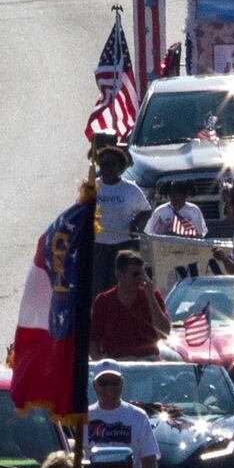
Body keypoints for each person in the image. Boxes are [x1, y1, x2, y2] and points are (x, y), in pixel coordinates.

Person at [90, 250, 173, 358]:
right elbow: (93, 342)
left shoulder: (153, 296)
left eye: (143, 274)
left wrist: (151, 298)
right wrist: (102, 362)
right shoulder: (103, 301)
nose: (140, 279)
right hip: (117, 363)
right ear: (120, 275)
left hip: (147, 363)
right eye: (135, 274)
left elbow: (164, 333)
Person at [92, 149, 150, 295]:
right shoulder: (92, 187)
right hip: (98, 245)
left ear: (120, 166)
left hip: (122, 246)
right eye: (103, 164)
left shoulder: (129, 189)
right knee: (98, 288)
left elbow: (146, 209)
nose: (107, 168)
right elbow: (80, 209)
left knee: (120, 287)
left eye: (111, 164)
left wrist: (134, 222)